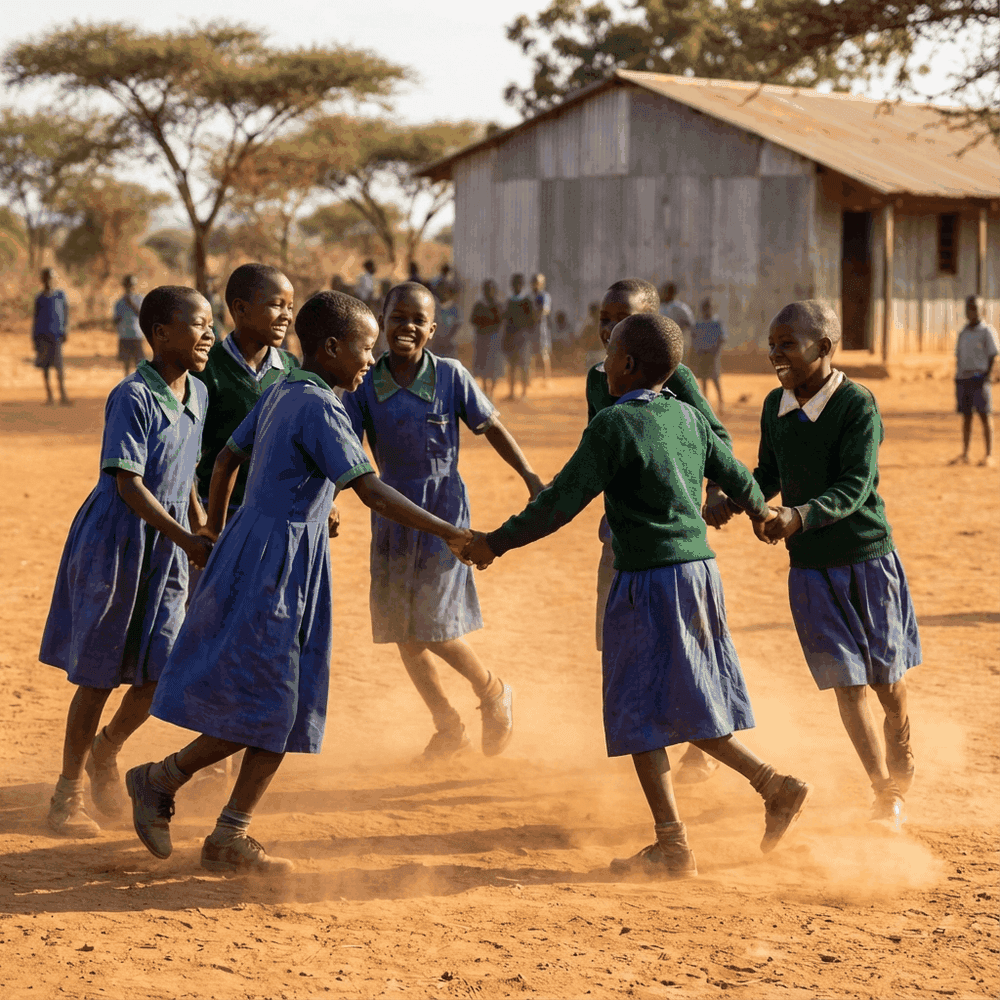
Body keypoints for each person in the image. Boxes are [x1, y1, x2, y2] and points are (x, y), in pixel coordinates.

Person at [126, 291, 476, 874]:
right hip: (280, 564)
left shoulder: (281, 391)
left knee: (284, 702)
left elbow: (225, 462)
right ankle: (165, 782)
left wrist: (216, 528)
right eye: (365, 348)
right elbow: (370, 489)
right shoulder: (320, 407)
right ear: (332, 347)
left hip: (262, 551)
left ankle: (223, 831)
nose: (372, 358)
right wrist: (449, 531)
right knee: (280, 701)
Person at [463, 313, 811, 878]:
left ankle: (675, 845)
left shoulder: (613, 425)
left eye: (609, 358)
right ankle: (773, 787)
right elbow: (738, 475)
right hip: (699, 575)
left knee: (637, 709)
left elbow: (559, 503)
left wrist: (494, 543)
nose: (603, 368)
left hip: (647, 579)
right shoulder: (689, 418)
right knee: (686, 698)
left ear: (625, 366)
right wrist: (763, 515)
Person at [40, 286, 215, 836]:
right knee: (98, 673)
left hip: (167, 548)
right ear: (160, 334)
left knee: (162, 669)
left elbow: (184, 475)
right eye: (197, 324)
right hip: (117, 541)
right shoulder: (132, 395)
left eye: (212, 324)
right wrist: (186, 538)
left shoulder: (201, 394)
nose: (209, 334)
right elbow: (128, 483)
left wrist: (201, 525)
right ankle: (66, 795)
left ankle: (106, 749)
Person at [343, 282, 544, 760]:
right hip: (390, 512)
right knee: (401, 628)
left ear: (433, 329)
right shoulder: (366, 384)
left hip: (445, 514)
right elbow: (344, 450)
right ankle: (447, 725)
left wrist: (531, 477)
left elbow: (491, 426)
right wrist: (327, 499)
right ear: (382, 319)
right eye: (397, 317)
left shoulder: (451, 375)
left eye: (418, 320)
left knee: (432, 624)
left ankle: (492, 690)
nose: (406, 327)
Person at [744, 300, 920, 829]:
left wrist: (797, 516)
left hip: (866, 559)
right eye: (772, 345)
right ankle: (883, 792)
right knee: (848, 683)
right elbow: (766, 471)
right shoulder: (775, 406)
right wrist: (739, 499)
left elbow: (855, 485)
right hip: (811, 569)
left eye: (788, 344)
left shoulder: (856, 405)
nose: (777, 354)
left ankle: (902, 730)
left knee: (886, 684)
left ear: (824, 348)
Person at [589, 278, 732, 784]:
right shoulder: (598, 379)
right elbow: (599, 451)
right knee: (620, 642)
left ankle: (703, 745)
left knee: (686, 645)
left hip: (670, 536)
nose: (608, 329)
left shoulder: (679, 378)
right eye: (603, 318)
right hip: (620, 534)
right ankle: (659, 741)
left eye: (621, 319)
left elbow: (715, 436)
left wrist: (716, 491)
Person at [193, 263, 299, 518]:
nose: (287, 316)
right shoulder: (207, 368)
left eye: (290, 307)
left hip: (277, 513)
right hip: (221, 513)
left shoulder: (290, 367)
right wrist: (200, 521)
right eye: (276, 305)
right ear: (240, 308)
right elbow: (187, 455)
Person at [949, 295, 997, 468]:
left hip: (980, 378)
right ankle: (966, 453)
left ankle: (989, 454)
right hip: (963, 379)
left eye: (975, 308)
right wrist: (957, 376)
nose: (971, 312)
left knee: (985, 416)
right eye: (969, 308)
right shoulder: (963, 332)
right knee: (966, 417)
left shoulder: (987, 331)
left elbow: (993, 355)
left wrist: (988, 375)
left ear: (981, 310)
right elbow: (959, 356)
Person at [32, 267, 70, 406]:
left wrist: (65, 329)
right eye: (46, 278)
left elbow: (66, 314)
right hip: (42, 336)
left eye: (51, 278)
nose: (49, 281)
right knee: (45, 368)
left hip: (56, 336)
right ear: (43, 280)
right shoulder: (39, 298)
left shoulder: (60, 296)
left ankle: (63, 395)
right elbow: (35, 319)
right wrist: (34, 338)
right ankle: (49, 396)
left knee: (59, 368)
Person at [690, 298, 727, 414]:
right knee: (704, 380)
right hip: (702, 355)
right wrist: (697, 352)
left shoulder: (717, 323)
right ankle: (705, 405)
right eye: (705, 309)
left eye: (708, 308)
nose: (707, 311)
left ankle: (721, 404)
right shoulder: (698, 324)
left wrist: (715, 351)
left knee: (715, 379)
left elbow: (722, 338)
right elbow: (694, 338)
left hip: (713, 355)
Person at [502, 273, 535, 401]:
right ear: (512, 285)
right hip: (511, 336)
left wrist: (526, 333)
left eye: (520, 284)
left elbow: (531, 320)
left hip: (523, 337)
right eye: (516, 284)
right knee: (512, 366)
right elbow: (506, 320)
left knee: (524, 365)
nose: (518, 286)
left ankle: (523, 393)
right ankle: (511, 392)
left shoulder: (527, 301)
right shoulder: (510, 301)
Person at [470, 279, 504, 399]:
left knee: (494, 366)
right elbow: (473, 320)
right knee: (483, 365)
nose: (489, 292)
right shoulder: (478, 305)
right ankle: (484, 389)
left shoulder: (498, 306)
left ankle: (492, 392)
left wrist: (487, 324)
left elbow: (500, 321)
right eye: (486, 289)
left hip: (493, 340)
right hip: (482, 339)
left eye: (491, 289)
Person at [112, 275, 146, 375]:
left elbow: (142, 315)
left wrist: (131, 303)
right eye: (127, 286)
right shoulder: (119, 302)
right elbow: (115, 320)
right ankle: (127, 385)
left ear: (134, 287)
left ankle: (140, 385)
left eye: (131, 286)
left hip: (136, 335)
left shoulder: (140, 300)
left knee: (139, 364)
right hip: (124, 336)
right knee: (126, 364)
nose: (129, 288)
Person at [530, 273, 552, 386]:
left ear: (541, 284)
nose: (535, 285)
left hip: (541, 328)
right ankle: (530, 379)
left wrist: (534, 316)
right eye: (533, 282)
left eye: (537, 282)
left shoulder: (544, 296)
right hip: (530, 329)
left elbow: (545, 310)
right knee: (530, 354)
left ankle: (546, 379)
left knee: (543, 353)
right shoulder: (529, 296)